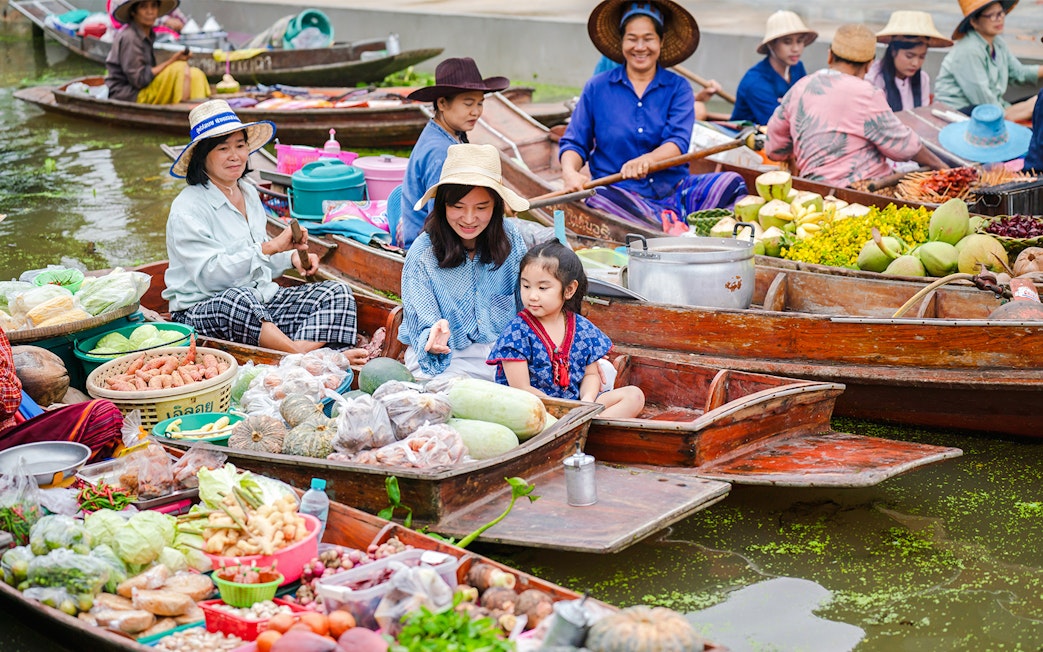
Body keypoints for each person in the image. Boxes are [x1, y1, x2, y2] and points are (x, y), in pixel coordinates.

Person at [165, 99, 368, 361]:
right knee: (240, 298)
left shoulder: (248, 192)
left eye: (240, 146)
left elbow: (261, 265)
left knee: (336, 292)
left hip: (261, 304)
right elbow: (211, 277)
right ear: (202, 157)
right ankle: (307, 356)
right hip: (204, 310)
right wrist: (272, 247)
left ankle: (288, 352)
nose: (235, 155)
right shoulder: (188, 208)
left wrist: (291, 258)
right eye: (223, 148)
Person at [559, 0, 746, 232]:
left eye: (648, 38)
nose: (640, 47)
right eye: (632, 38)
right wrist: (570, 173)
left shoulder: (678, 88)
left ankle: (664, 221)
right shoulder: (597, 87)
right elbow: (575, 142)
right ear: (621, 41)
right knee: (600, 199)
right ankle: (673, 224)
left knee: (732, 183)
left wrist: (647, 159)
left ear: (661, 41)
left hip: (675, 190)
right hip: (621, 194)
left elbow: (677, 142)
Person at [398, 143, 529, 381]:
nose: (469, 219)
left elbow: (526, 304)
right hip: (447, 359)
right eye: (458, 207)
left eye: (481, 207)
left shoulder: (511, 239)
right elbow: (424, 325)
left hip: (503, 353)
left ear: (496, 206)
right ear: (443, 205)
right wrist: (434, 337)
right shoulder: (423, 253)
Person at [766, 24, 947, 187]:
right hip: (863, 192)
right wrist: (941, 167)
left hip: (814, 193)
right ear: (869, 65)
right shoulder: (867, 93)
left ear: (830, 56)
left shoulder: (799, 88)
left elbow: (774, 148)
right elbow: (903, 147)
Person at [488, 241, 644, 418]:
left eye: (542, 288)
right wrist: (559, 411)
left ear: (569, 290)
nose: (532, 295)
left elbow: (591, 375)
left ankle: (587, 425)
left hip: (576, 407)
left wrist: (587, 401)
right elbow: (522, 389)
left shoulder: (581, 328)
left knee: (634, 395)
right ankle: (586, 429)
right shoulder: (516, 332)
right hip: (536, 411)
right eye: (526, 286)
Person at [397, 58, 510, 249]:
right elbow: (440, 223)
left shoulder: (450, 133)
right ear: (442, 103)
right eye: (468, 104)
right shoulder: (440, 152)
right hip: (428, 246)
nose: (476, 112)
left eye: (480, 104)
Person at [1, 330, 123, 464]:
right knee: (104, 414)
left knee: (104, 415)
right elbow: (8, 401)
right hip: (7, 445)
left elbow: (11, 400)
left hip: (12, 431)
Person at [934, 0, 1043, 122]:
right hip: (959, 113)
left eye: (1001, 13)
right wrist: (1024, 109)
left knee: (1037, 102)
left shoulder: (998, 43)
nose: (999, 19)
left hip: (992, 105)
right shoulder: (969, 50)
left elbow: (1018, 73)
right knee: (1036, 107)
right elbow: (984, 101)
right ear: (974, 22)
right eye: (991, 15)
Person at [105, 0, 209, 104]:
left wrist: (174, 60)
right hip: (129, 95)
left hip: (143, 89)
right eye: (144, 7)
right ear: (134, 12)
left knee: (196, 74)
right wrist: (173, 60)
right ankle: (182, 111)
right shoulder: (130, 37)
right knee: (179, 68)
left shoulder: (148, 33)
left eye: (153, 6)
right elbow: (139, 80)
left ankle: (198, 113)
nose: (150, 12)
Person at [731, 10, 817, 125]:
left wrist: (787, 106)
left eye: (800, 41)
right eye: (787, 42)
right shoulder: (755, 82)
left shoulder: (797, 68)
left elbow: (809, 103)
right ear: (771, 44)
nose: (796, 48)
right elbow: (779, 124)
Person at [866, 11, 953, 113]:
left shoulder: (923, 79)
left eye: (922, 57)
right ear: (894, 51)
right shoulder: (874, 79)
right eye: (909, 56)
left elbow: (922, 115)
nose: (915, 63)